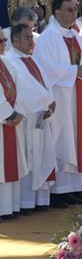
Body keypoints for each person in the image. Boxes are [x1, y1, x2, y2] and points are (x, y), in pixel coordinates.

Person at [34, 0, 82, 205]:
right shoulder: (47, 38)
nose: (75, 12)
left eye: (75, 8)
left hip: (81, 93)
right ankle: (60, 190)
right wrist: (76, 70)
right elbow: (45, 68)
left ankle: (79, 186)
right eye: (70, 9)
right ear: (57, 12)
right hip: (61, 97)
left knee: (79, 137)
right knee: (64, 140)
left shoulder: (78, 35)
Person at [6, 13, 56, 211]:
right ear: (16, 39)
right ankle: (25, 202)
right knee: (27, 159)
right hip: (26, 117)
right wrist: (44, 101)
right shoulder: (11, 60)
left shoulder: (31, 58)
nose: (31, 41)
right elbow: (23, 89)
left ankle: (38, 200)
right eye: (27, 37)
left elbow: (45, 83)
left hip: (40, 115)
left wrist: (50, 101)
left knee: (40, 158)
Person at [0, 27, 32, 218]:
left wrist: (19, 112)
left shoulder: (6, 62)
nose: (4, 44)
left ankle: (9, 207)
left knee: (9, 166)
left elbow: (20, 88)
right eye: (0, 41)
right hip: (4, 120)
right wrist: (9, 114)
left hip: (11, 120)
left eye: (4, 41)